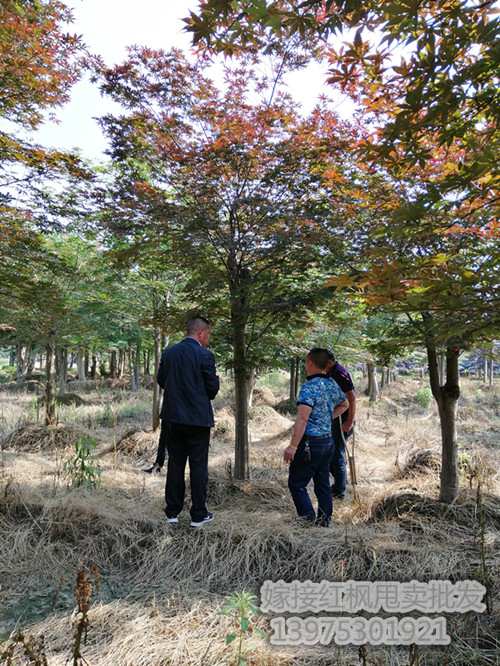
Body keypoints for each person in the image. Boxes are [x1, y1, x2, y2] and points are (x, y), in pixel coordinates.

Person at [157, 316, 220, 528]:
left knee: (175, 464)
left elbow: (161, 380)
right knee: (198, 466)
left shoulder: (169, 353)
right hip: (198, 420)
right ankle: (198, 515)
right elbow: (212, 390)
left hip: (173, 418)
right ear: (201, 333)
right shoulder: (205, 355)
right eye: (208, 334)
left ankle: (172, 513)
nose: (208, 338)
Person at [284, 348, 349, 526]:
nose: (305, 366)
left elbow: (303, 419)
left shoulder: (309, 387)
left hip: (310, 444)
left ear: (311, 363)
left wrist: (292, 446)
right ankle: (324, 521)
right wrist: (327, 417)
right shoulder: (331, 384)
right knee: (322, 484)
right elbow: (345, 404)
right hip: (328, 442)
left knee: (296, 484)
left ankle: (307, 519)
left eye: (306, 363)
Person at [326, 351, 356, 500]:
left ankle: (339, 491)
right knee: (333, 454)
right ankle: (339, 484)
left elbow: (352, 398)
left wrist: (349, 421)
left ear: (329, 361)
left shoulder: (339, 373)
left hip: (342, 420)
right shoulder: (332, 371)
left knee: (336, 454)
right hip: (336, 418)